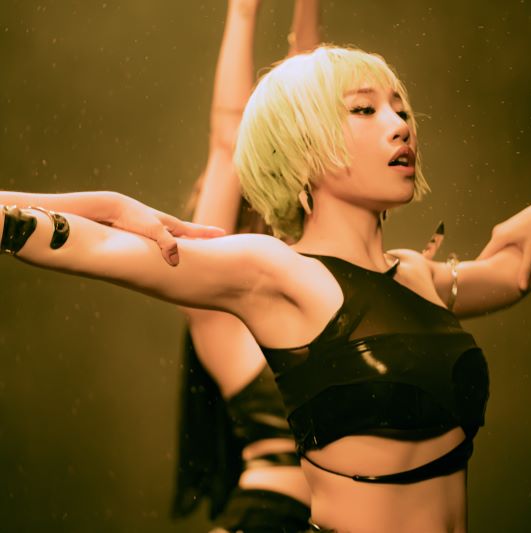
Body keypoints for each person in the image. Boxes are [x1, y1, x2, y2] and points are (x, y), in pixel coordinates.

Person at [0, 45, 531, 532]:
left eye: (400, 107)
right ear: (301, 148)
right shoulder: (275, 273)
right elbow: (68, 240)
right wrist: (115, 206)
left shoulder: (419, 277)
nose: (399, 124)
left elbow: (517, 270)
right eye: (363, 110)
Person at [171, 1, 319, 532]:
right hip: (267, 517)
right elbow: (228, 141)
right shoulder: (221, 324)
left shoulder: (321, 292)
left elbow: (313, 113)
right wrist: (242, 10)